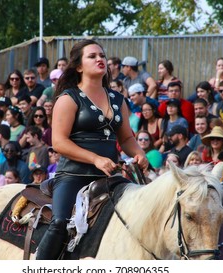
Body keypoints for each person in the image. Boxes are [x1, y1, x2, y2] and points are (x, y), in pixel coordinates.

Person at [36, 39, 148, 260]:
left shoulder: (118, 99)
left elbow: (126, 137)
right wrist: (95, 158)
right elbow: (59, 142)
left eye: (102, 56)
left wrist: (139, 153)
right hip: (73, 176)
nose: (100, 59)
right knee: (59, 223)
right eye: (92, 56)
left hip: (110, 177)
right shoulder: (68, 98)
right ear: (79, 66)